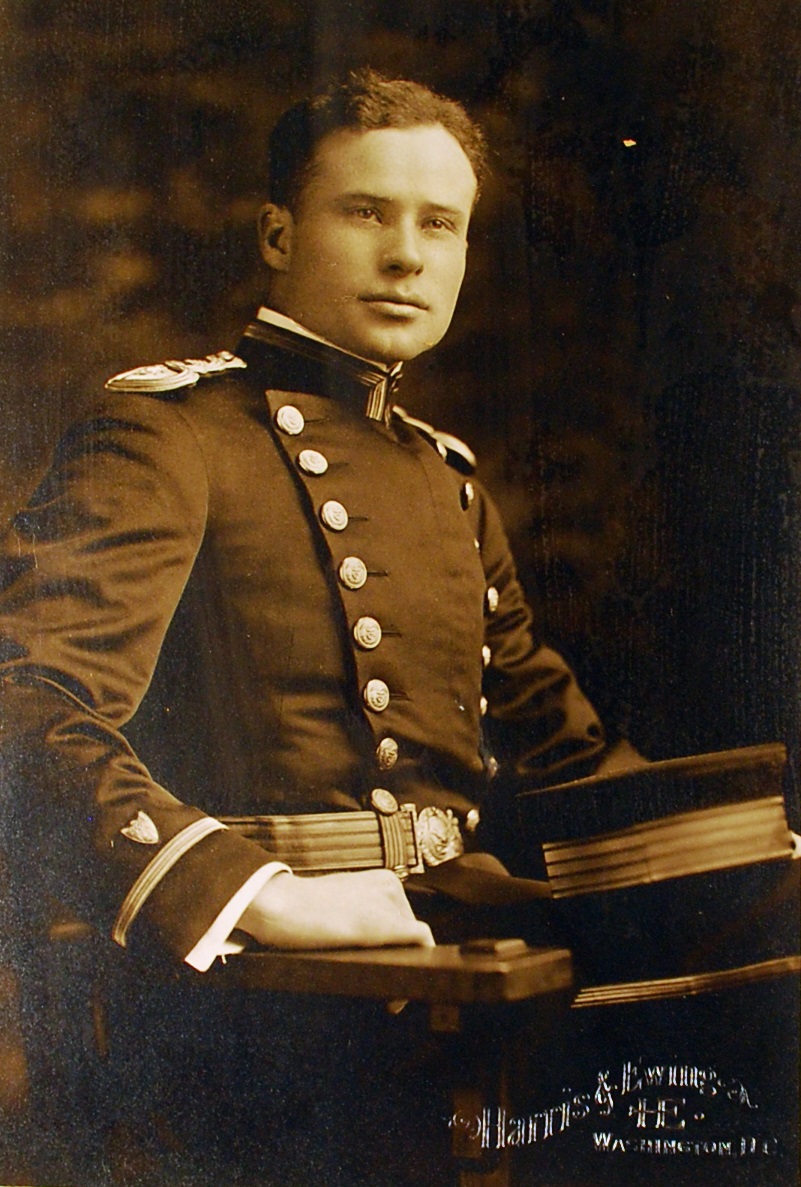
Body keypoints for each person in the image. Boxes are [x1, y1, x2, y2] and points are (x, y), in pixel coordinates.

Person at [0, 70, 635, 1184]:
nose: (408, 255)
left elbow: (572, 753)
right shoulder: (172, 433)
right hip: (252, 1006)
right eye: (366, 213)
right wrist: (250, 888)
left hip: (453, 964)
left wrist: (739, 849)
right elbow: (24, 699)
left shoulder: (449, 483)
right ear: (279, 233)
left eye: (440, 224)